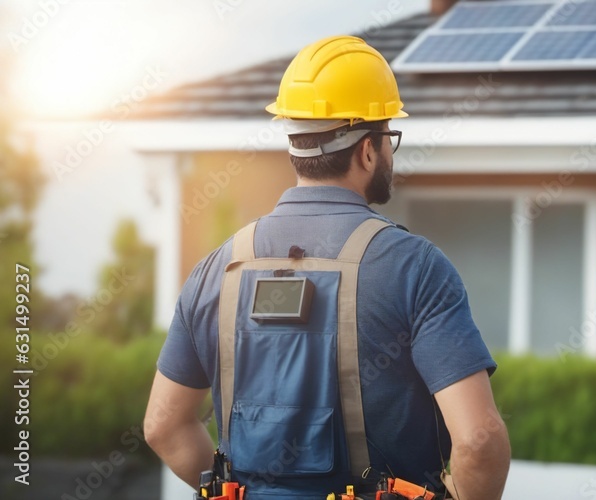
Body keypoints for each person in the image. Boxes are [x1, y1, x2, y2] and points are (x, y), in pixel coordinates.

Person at [143, 35, 511, 499]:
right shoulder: (416, 268)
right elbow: (478, 440)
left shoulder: (215, 270)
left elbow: (163, 426)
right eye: (389, 137)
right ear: (367, 150)